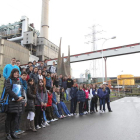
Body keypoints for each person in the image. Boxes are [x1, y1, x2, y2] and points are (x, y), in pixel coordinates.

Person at [5, 68, 24, 140]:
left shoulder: (19, 81)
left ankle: (12, 132)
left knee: (14, 119)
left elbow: (22, 89)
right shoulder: (9, 80)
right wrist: (16, 97)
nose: (16, 74)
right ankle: (8, 134)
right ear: (12, 73)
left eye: (17, 72)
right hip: (11, 102)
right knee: (9, 119)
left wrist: (22, 97)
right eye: (15, 72)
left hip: (17, 102)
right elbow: (8, 90)